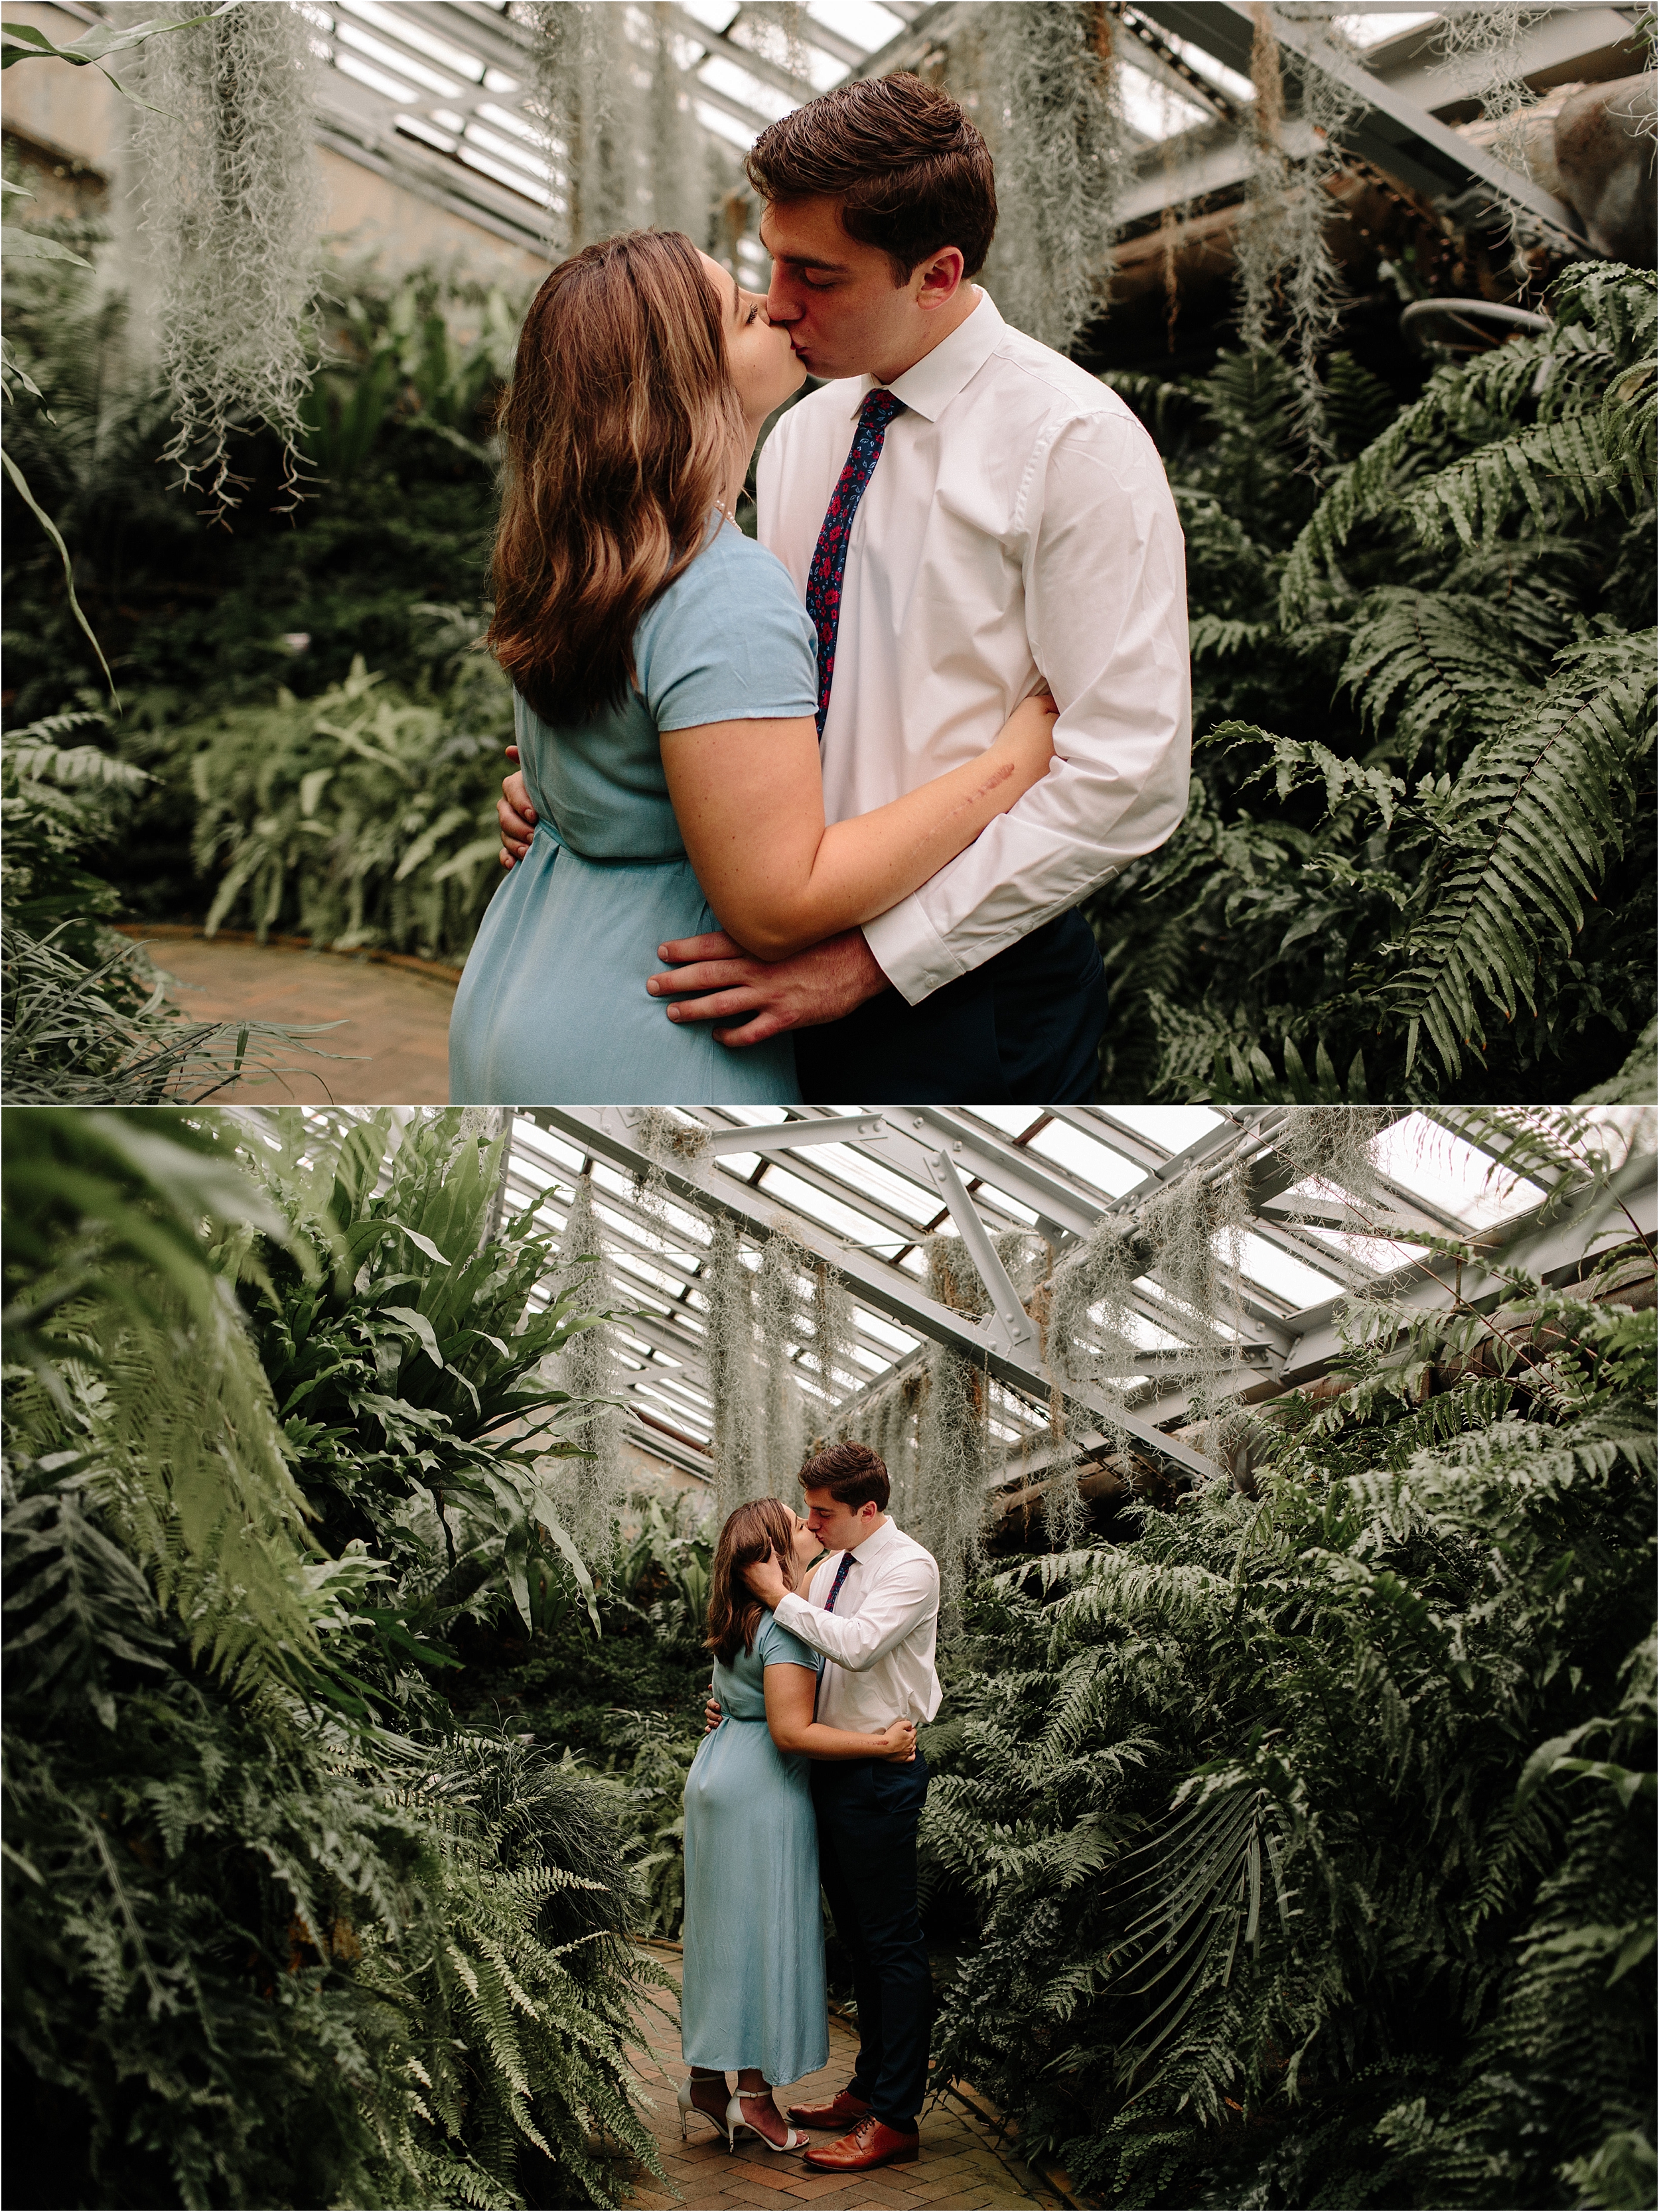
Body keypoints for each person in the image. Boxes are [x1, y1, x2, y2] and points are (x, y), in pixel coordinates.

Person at [498, 72, 1190, 1103]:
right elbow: (732, 688)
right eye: (770, 263)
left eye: (815, 275)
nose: (778, 304)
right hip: (763, 966)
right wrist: (592, 792)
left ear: (937, 274)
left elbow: (1128, 773)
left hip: (967, 993)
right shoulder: (802, 431)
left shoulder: (1074, 444)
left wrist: (877, 960)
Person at [447, 226, 1059, 1105]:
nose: (775, 305)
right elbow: (780, 900)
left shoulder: (581, 550)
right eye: (743, 314)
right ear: (683, 387)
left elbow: (604, 767)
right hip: (649, 1030)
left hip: (518, 981)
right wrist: (1009, 764)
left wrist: (555, 799)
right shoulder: (722, 591)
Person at [707, 1442, 942, 2178]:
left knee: (893, 1945)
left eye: (822, 1512)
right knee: (864, 1945)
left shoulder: (908, 1566)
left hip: (880, 1770)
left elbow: (860, 1647)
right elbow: (790, 1661)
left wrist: (779, 1596)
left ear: (867, 1509)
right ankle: (866, 2088)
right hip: (833, 1766)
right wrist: (739, 1706)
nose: (809, 1522)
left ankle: (896, 2116)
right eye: (808, 1510)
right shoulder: (834, 1561)